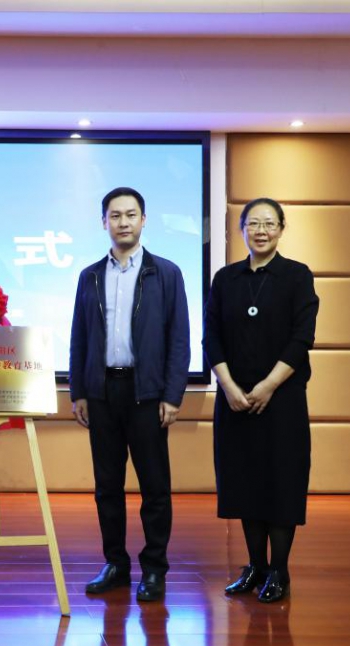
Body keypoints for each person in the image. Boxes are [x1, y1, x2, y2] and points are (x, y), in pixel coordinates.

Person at [69, 186, 190, 602]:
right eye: (115, 215)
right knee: (107, 486)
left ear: (143, 220)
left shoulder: (166, 273)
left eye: (131, 214)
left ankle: (154, 568)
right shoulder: (90, 275)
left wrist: (172, 395)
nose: (123, 222)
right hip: (102, 392)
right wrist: (79, 391)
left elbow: (179, 339)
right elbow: (79, 337)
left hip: (147, 393)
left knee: (155, 487)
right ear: (104, 222)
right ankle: (116, 564)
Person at [203, 197, 319, 603]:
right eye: (253, 223)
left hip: (282, 400)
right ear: (241, 230)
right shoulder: (226, 279)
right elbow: (211, 337)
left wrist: (268, 385)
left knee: (281, 483)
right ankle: (255, 566)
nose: (261, 231)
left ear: (282, 229)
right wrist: (229, 387)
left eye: (270, 223)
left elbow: (302, 338)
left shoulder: (297, 276)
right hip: (235, 400)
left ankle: (279, 571)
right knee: (244, 483)